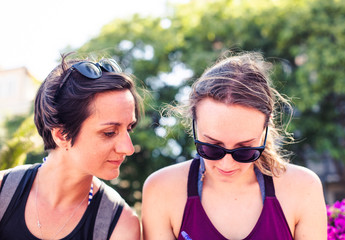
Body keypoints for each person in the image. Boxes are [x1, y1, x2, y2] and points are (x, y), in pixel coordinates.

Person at [141, 52, 327, 240]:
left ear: (266, 127)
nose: (227, 164)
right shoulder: (162, 190)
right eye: (212, 148)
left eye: (245, 150)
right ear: (194, 125)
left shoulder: (302, 188)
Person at [0, 53, 141, 239]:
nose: (128, 148)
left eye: (129, 128)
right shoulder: (3, 192)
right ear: (61, 135)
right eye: (109, 132)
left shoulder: (120, 224)